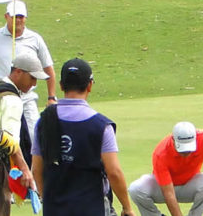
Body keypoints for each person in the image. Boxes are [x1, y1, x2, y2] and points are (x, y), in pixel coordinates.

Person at [31, 58, 136, 216]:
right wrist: (127, 207)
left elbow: (37, 169)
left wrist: (46, 198)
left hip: (55, 207)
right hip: (92, 207)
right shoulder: (102, 126)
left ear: (61, 85)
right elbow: (113, 172)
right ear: (90, 85)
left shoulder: (43, 121)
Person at [0, 52, 49, 216]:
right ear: (18, 72)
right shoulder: (11, 99)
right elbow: (9, 140)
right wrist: (25, 170)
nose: (34, 83)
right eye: (32, 77)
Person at [0, 0, 57, 143]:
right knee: (3, 139)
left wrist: (52, 97)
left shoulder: (35, 39)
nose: (18, 20)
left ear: (26, 18)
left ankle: (31, 165)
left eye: (21, 17)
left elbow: (48, 68)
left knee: (35, 139)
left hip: (26, 97)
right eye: (14, 16)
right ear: (6, 16)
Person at [128, 121, 203, 216]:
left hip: (189, 185)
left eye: (189, 148)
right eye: (182, 148)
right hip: (163, 189)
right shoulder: (161, 153)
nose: (186, 152)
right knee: (136, 189)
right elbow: (169, 194)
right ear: (173, 140)